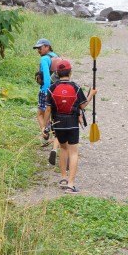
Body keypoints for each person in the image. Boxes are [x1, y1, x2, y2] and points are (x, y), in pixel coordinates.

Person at [47, 59, 97, 194]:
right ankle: (70, 185)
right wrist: (91, 95)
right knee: (73, 152)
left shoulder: (51, 88)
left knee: (63, 148)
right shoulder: (76, 87)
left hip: (58, 123)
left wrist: (45, 127)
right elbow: (82, 105)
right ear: (70, 72)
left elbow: (48, 109)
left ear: (57, 72)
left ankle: (63, 178)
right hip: (72, 123)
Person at [33, 38, 60, 165]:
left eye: (40, 47)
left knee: (40, 113)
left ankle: (45, 134)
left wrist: (47, 90)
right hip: (59, 90)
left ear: (47, 46)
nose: (39, 50)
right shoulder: (56, 56)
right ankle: (54, 140)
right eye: (38, 48)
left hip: (46, 90)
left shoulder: (44, 59)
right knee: (54, 116)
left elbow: (47, 77)